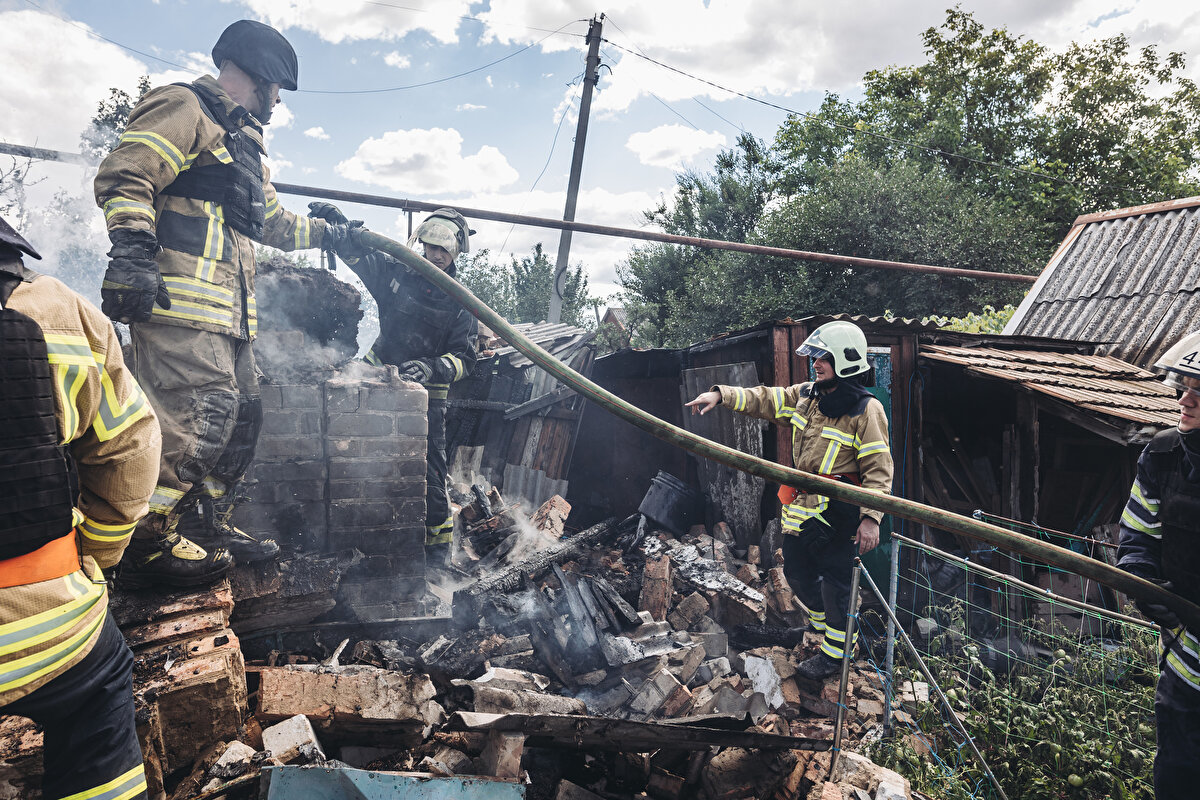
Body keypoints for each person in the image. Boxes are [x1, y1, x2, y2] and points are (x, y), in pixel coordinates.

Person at [94, 20, 359, 587]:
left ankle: (209, 525)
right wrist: (134, 251)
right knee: (198, 420)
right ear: (259, 74)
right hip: (181, 308)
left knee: (242, 423)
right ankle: (143, 544)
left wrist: (328, 234)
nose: (280, 101)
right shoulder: (183, 107)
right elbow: (127, 175)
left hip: (230, 318)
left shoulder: (242, 141)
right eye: (278, 88)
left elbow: (270, 223)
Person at [0, 216, 160, 800]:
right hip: (51, 629)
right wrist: (95, 553)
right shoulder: (57, 311)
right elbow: (132, 449)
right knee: (98, 690)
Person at [685, 320, 893, 680]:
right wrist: (720, 394)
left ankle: (837, 656)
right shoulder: (809, 396)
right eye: (815, 357)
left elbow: (878, 468)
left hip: (841, 515)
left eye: (823, 357)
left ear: (846, 360)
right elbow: (767, 398)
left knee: (837, 587)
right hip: (802, 513)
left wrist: (871, 518)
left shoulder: (866, 409)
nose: (816, 364)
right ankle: (825, 631)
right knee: (797, 574)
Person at [308, 203, 478, 567]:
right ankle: (362, 543)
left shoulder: (461, 303)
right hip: (373, 386)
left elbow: (466, 359)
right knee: (355, 463)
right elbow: (361, 256)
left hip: (428, 402)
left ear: (456, 251)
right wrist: (339, 227)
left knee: (430, 477)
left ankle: (435, 559)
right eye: (431, 248)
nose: (435, 257)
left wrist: (432, 368)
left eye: (443, 251)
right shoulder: (396, 275)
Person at [1118, 329, 1200, 797]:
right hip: (1187, 671)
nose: (1185, 400)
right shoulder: (1164, 455)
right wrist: (1142, 582)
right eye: (1184, 386)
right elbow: (1137, 537)